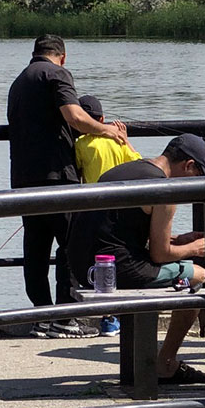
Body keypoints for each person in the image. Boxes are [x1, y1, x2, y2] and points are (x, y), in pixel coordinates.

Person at [7, 34, 127, 339]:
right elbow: (74, 116)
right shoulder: (56, 74)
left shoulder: (19, 82)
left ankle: (40, 315)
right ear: (62, 56)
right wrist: (107, 130)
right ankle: (64, 316)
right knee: (73, 246)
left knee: (35, 247)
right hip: (57, 176)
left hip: (23, 178)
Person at [68, 134, 205, 384]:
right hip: (118, 271)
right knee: (199, 276)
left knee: (182, 265)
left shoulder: (126, 169)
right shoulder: (165, 189)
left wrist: (179, 240)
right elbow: (160, 254)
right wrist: (196, 248)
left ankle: (149, 362)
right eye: (197, 176)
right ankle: (165, 364)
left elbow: (122, 231)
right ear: (188, 165)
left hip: (86, 267)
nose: (194, 185)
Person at [74, 94, 141, 338]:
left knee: (100, 264)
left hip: (93, 210)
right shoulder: (118, 142)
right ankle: (121, 316)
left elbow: (78, 173)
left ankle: (107, 318)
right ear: (102, 119)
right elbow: (138, 163)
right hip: (121, 211)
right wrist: (126, 140)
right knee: (121, 260)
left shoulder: (81, 143)